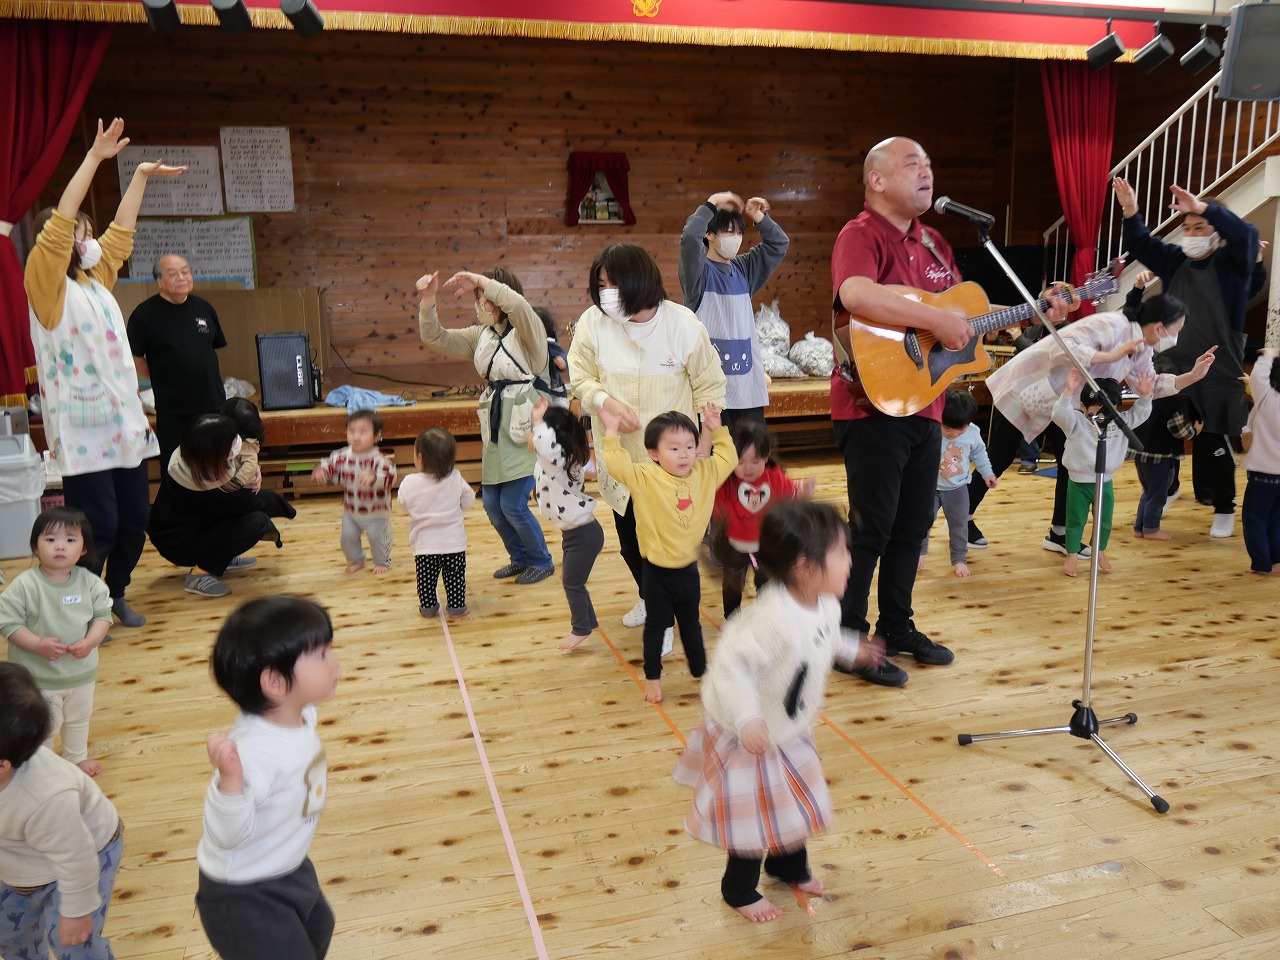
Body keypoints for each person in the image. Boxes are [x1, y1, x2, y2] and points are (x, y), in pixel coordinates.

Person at [829, 137, 1061, 686]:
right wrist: (934, 322)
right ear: (877, 180)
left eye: (929, 164)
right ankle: (847, 638)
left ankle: (896, 626)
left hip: (925, 403)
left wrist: (1030, 311)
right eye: (912, 164)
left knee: (913, 526)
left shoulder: (934, 242)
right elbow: (856, 294)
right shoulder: (860, 234)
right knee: (871, 528)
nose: (926, 172)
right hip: (871, 405)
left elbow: (962, 315)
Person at [673, 501, 883, 922]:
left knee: (793, 803)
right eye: (841, 552)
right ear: (805, 567)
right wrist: (747, 718)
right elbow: (732, 666)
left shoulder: (824, 603)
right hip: (748, 734)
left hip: (787, 728)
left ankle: (787, 866)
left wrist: (851, 649)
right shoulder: (770, 619)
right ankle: (738, 888)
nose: (850, 560)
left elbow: (822, 638)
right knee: (753, 818)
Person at [23, 117, 185, 631]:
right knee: (100, 525)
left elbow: (122, 235)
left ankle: (115, 594)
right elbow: (59, 228)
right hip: (82, 429)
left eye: (87, 232)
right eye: (79, 232)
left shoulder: (96, 280)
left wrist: (139, 177)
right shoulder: (45, 283)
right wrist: (94, 158)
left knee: (135, 520)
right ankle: (83, 605)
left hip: (122, 424)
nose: (87, 239)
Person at [567, 242, 727, 632]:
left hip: (671, 465)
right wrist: (603, 400)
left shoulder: (684, 326)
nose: (606, 293)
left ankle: (665, 614)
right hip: (621, 459)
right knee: (630, 543)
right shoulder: (593, 323)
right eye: (601, 285)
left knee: (667, 545)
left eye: (614, 284)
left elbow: (710, 387)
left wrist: (706, 444)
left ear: (639, 282)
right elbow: (580, 376)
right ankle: (649, 597)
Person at [986, 293, 1215, 556]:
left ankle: (1060, 534)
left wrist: (1192, 376)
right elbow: (1059, 348)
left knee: (1069, 467)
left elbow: (1149, 385)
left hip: (1071, 405)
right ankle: (963, 519)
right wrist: (1109, 356)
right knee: (998, 459)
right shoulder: (1112, 324)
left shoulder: (1143, 348)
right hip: (1032, 389)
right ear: (1160, 327)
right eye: (1177, 330)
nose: (1177, 337)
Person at [1114, 177, 1260, 538]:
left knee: (1212, 439)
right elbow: (1140, 242)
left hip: (1218, 365)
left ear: (1217, 232)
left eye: (1200, 226)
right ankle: (1166, 489)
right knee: (1160, 434)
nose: (1191, 233)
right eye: (1188, 227)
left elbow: (1247, 235)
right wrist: (1130, 209)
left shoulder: (1232, 263)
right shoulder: (1175, 260)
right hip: (1173, 364)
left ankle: (1223, 506)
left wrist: (1202, 206)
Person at [196, 596, 339, 960]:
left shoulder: (300, 713)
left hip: (285, 862)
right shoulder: (253, 753)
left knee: (319, 926)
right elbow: (225, 835)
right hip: (243, 893)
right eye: (322, 655)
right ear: (275, 681)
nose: (334, 661)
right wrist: (230, 782)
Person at [417, 268, 555, 584]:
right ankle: (520, 559)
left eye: (488, 296)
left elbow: (518, 307)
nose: (484, 304)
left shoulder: (528, 330)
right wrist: (428, 299)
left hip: (527, 425)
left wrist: (483, 282)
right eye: (479, 298)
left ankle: (541, 560)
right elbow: (435, 337)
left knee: (513, 504)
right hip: (495, 427)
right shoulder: (481, 335)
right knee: (492, 504)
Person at [599, 404, 737, 704]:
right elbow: (617, 465)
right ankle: (653, 678)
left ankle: (700, 671)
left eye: (689, 446)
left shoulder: (704, 473)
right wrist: (611, 431)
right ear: (654, 453)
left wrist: (717, 428)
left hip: (687, 572)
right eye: (674, 448)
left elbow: (728, 458)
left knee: (691, 626)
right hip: (655, 574)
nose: (684, 454)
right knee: (656, 627)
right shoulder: (644, 476)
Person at [0, 661, 124, 960]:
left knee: (74, 945)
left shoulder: (45, 797)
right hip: (18, 858)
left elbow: (76, 858)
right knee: (9, 935)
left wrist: (77, 912)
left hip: (86, 853)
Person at [0, 508, 112, 777]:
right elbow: (8, 624)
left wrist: (90, 642)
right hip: (37, 678)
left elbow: (102, 617)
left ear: (84, 549)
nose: (60, 546)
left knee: (78, 719)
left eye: (70, 540)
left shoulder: (91, 583)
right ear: (35, 547)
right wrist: (37, 644)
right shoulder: (25, 585)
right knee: (44, 726)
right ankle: (42, 765)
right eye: (50, 539)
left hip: (81, 673)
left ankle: (76, 759)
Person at [148, 413, 296, 597]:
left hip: (179, 529)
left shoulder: (189, 458)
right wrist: (289, 511)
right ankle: (200, 574)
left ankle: (223, 555)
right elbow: (251, 502)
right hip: (179, 543)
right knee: (257, 521)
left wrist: (254, 471)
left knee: (255, 507)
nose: (237, 443)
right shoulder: (209, 490)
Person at [678, 191, 789, 431]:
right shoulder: (699, 274)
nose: (736, 238)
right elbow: (689, 238)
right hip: (712, 398)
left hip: (748, 392)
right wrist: (712, 202)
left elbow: (779, 244)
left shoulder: (744, 270)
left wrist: (759, 217)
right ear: (709, 235)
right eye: (728, 232)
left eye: (739, 233)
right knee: (717, 455)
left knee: (753, 454)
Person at [127, 253, 227, 469]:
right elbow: (134, 356)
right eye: (173, 274)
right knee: (176, 468)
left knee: (214, 466)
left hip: (211, 403)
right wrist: (159, 376)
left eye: (185, 272)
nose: (181, 278)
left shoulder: (204, 308)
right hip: (173, 409)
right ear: (159, 281)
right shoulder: (144, 315)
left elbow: (211, 348)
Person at [1053, 369, 1153, 577]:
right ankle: (1072, 555)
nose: (1104, 414)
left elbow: (1141, 413)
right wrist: (1068, 392)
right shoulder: (1076, 422)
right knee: (1075, 520)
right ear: (1083, 407)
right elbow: (1060, 415)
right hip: (1079, 483)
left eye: (1110, 408)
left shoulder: (1120, 423)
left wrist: (1145, 396)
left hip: (1105, 481)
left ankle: (1099, 551)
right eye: (1098, 408)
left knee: (1104, 521)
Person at [712, 419, 815, 616]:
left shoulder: (774, 477)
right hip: (734, 546)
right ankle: (732, 618)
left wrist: (805, 492)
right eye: (740, 462)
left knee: (767, 584)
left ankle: (766, 616)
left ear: (766, 457)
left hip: (766, 545)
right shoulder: (727, 482)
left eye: (755, 461)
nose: (748, 468)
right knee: (732, 586)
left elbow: (792, 494)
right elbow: (714, 506)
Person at [530, 396, 604, 650]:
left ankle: (581, 628)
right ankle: (589, 622)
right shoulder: (562, 460)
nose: (534, 436)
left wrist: (539, 421)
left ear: (552, 437)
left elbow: (546, 449)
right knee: (573, 580)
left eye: (539, 432)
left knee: (572, 582)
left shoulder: (558, 461)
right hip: (575, 534)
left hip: (583, 536)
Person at [397, 427, 475, 617]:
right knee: (455, 577)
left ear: (420, 458)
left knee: (426, 580)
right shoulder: (456, 478)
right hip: (453, 543)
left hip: (424, 545)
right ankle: (457, 607)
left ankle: (428, 607)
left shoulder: (409, 482)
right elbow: (469, 500)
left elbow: (403, 504)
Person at [920, 390, 996, 579]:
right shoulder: (931, 427)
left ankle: (959, 559)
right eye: (947, 429)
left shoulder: (973, 433)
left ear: (968, 423)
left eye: (960, 430)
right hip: (930, 487)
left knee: (960, 525)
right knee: (921, 522)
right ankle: (919, 553)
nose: (953, 434)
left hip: (958, 488)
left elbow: (979, 454)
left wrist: (987, 473)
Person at [310, 409, 395, 575]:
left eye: (363, 432)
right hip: (351, 510)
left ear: (376, 436)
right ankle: (357, 560)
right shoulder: (342, 455)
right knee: (347, 538)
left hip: (376, 512)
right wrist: (320, 470)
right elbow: (328, 464)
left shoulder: (379, 458)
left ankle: (382, 561)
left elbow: (390, 476)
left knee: (378, 538)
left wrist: (374, 477)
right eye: (351, 431)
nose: (356, 436)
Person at [1131, 352, 1200, 540]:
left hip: (1139, 454)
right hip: (1159, 457)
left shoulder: (1144, 396)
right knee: (1158, 495)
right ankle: (1151, 529)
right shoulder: (1174, 402)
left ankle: (1140, 527)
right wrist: (1195, 430)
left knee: (1148, 492)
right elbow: (1179, 430)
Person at [1242, 346, 1280, 574]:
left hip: (1263, 474)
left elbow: (1258, 378)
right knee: (1276, 519)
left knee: (1254, 520)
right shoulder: (1266, 398)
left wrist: (1269, 355)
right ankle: (1276, 561)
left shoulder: (1267, 399)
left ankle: (1261, 564)